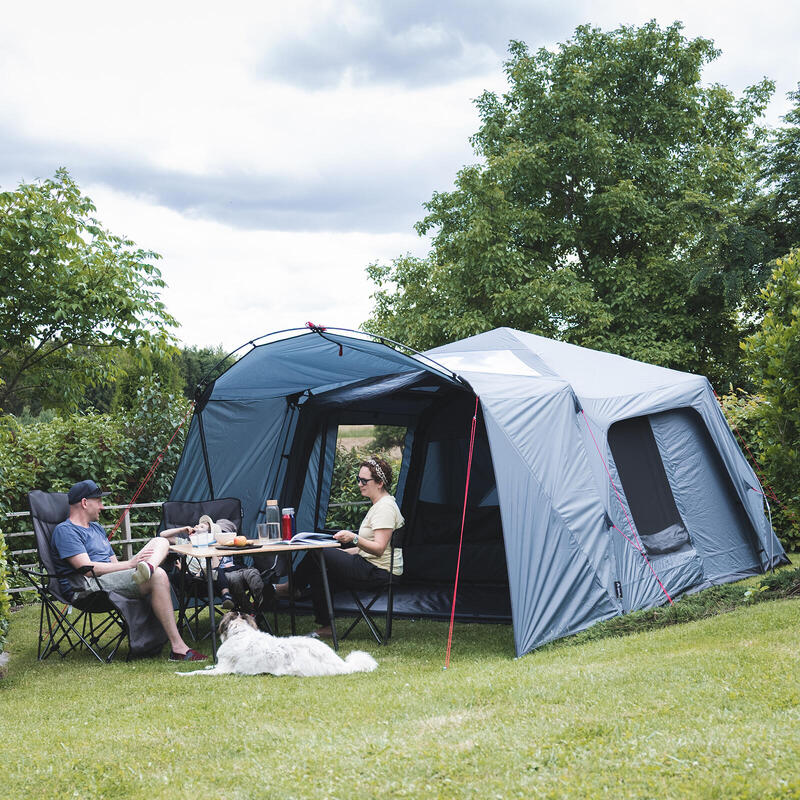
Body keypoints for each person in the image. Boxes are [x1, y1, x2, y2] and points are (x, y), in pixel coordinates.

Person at [51, 479, 207, 661]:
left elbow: (113, 562)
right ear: (85, 503)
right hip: (88, 587)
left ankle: (148, 567)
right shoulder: (66, 531)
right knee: (158, 576)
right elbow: (86, 569)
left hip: (108, 579)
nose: (102, 507)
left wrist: (132, 566)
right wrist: (130, 565)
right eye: (99, 501)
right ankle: (178, 647)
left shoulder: (96, 528)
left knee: (161, 541)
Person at [279, 456, 404, 637]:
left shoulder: (385, 508)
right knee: (319, 570)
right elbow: (366, 549)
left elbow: (378, 548)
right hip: (371, 566)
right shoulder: (380, 505)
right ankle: (326, 626)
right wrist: (339, 552)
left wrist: (353, 538)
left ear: (379, 483)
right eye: (358, 479)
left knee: (317, 552)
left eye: (364, 480)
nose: (360, 484)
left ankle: (291, 588)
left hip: (378, 572)